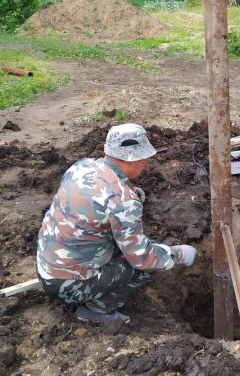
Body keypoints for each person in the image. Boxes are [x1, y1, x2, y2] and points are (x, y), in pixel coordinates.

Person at [36, 123, 197, 323]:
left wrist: (127, 193)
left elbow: (90, 199)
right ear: (133, 159)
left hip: (46, 268)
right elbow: (142, 258)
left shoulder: (82, 166)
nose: (145, 163)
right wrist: (178, 254)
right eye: (144, 158)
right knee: (145, 264)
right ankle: (97, 310)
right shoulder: (123, 202)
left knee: (135, 247)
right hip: (70, 287)